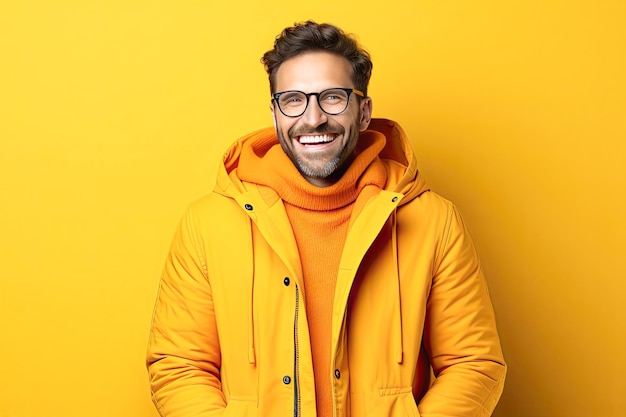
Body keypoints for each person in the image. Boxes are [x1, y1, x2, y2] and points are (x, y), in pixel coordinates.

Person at [146, 20, 506, 417]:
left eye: (332, 97)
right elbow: (179, 366)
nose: (313, 118)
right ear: (276, 113)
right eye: (294, 99)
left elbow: (474, 364)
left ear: (364, 111)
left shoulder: (434, 221)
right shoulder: (207, 224)